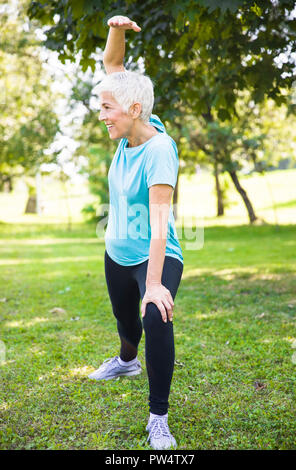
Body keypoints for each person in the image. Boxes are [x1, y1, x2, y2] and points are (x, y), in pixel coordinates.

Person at [88, 15, 184, 450]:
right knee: (127, 326)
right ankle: (127, 362)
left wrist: (153, 285)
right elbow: (113, 63)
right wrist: (117, 29)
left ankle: (158, 418)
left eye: (107, 109)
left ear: (131, 110)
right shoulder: (129, 120)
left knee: (154, 315)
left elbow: (160, 222)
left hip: (155, 253)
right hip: (116, 251)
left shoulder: (159, 150)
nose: (102, 115)